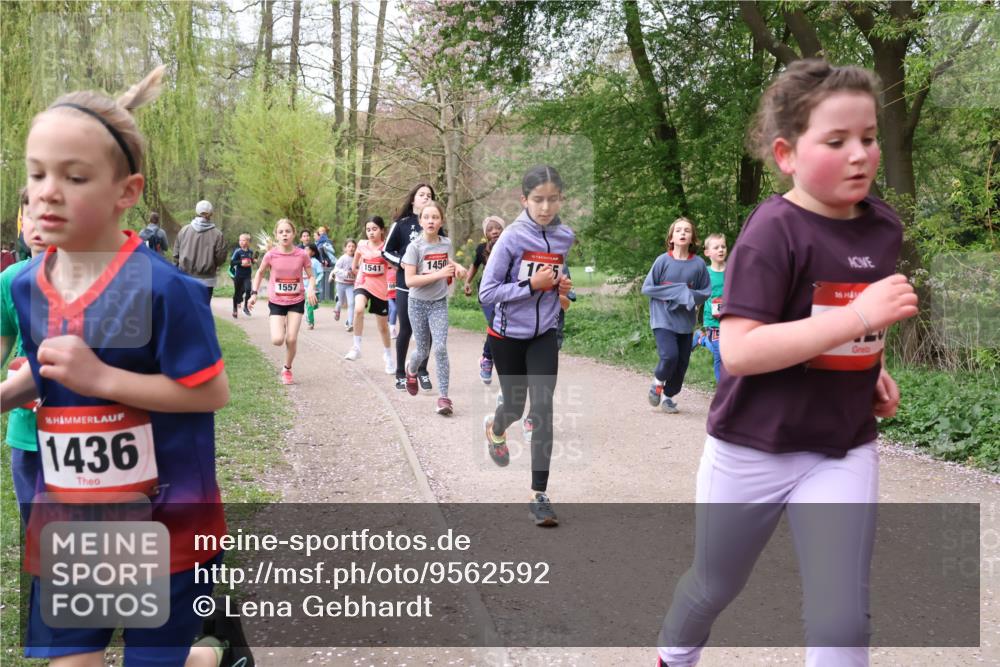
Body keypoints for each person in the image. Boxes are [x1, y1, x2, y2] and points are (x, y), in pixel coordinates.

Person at [656, 59, 918, 667]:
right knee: (714, 585)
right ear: (787, 154)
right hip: (753, 446)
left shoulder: (883, 229)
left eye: (870, 138)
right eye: (837, 141)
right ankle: (674, 654)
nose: (860, 154)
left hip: (841, 446)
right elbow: (743, 349)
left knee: (842, 616)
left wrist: (870, 366)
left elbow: (843, 320)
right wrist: (857, 322)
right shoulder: (772, 230)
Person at [2, 65, 251, 667]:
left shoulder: (163, 289)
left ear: (126, 193)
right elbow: (56, 366)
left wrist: (102, 380)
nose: (47, 192)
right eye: (37, 174)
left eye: (75, 176)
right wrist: (10, 392)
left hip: (166, 519)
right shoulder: (30, 284)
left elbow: (210, 391)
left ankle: (206, 654)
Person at [479, 165, 574, 527]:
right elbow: (488, 293)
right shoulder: (512, 239)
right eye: (538, 200)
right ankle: (496, 427)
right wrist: (531, 286)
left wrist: (563, 287)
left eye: (552, 199)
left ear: (560, 199)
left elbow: (560, 279)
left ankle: (539, 495)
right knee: (516, 407)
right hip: (507, 337)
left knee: (543, 407)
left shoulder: (565, 236)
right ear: (524, 200)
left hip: (544, 334)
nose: (545, 207)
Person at [1, 188, 47, 525]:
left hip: (79, 429)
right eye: (30, 215)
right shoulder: (9, 280)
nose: (38, 226)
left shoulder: (97, 282)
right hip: (25, 428)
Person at [401, 201, 467, 415]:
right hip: (417, 304)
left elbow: (446, 260)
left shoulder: (445, 243)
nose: (431, 221)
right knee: (422, 349)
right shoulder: (415, 247)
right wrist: (439, 275)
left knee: (439, 347)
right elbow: (409, 280)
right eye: (426, 217)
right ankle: (411, 370)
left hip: (438, 303)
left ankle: (444, 397)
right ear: (420, 221)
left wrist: (457, 267)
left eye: (435, 217)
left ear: (441, 221)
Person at [642, 217, 711, 413]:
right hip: (662, 318)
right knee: (669, 356)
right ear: (671, 237)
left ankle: (668, 397)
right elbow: (647, 288)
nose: (682, 233)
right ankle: (657, 382)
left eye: (687, 231)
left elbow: (705, 292)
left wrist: (687, 295)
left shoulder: (698, 264)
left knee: (681, 363)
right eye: (678, 230)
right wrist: (677, 292)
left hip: (685, 322)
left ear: (692, 238)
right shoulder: (662, 261)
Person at [248, 219, 318, 384]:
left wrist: (310, 288)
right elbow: (259, 273)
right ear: (276, 235)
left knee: (291, 339)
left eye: (288, 231)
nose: (284, 234)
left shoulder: (301, 254)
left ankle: (287, 369)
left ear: (294, 234)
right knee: (277, 340)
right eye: (281, 232)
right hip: (277, 301)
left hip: (296, 300)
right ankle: (282, 323)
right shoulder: (271, 255)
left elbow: (311, 276)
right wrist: (253, 294)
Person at [384, 183, 437, 391]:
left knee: (428, 330)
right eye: (421, 194)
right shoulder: (402, 224)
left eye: (429, 195)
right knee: (405, 329)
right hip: (406, 286)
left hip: (430, 286)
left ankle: (422, 370)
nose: (425, 197)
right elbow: (386, 251)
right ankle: (400, 373)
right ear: (413, 199)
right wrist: (403, 263)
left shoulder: (436, 225)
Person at [345, 216, 394, 375]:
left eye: (374, 229)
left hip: (381, 289)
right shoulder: (361, 244)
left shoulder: (387, 247)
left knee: (383, 328)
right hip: (363, 283)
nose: (371, 232)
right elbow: (355, 264)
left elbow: (393, 267)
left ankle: (388, 355)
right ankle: (356, 347)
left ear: (382, 230)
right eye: (368, 229)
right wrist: (357, 270)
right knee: (358, 309)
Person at [464, 215, 506, 385]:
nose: (495, 231)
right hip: (487, 293)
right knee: (495, 323)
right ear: (485, 233)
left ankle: (496, 360)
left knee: (502, 327)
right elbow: (474, 266)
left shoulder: (511, 245)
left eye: (498, 228)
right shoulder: (482, 249)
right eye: (490, 229)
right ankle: (487, 359)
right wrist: (467, 282)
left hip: (506, 293)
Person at [174, 199, 227, 302]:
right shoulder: (217, 234)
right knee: (202, 312)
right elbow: (221, 258)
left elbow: (176, 255)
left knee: (186, 311)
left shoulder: (184, 231)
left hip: (185, 279)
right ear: (211, 214)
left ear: (196, 212)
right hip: (207, 281)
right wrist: (212, 264)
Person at [697, 232, 727, 382]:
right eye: (716, 247)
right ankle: (723, 390)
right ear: (707, 252)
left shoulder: (733, 270)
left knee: (729, 352)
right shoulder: (705, 273)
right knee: (719, 354)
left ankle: (701, 339)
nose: (721, 250)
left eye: (723, 246)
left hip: (730, 320)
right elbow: (698, 295)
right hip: (712, 321)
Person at [332, 238, 357, 330]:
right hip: (341, 283)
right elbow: (336, 270)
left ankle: (350, 323)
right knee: (341, 302)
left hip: (351, 284)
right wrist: (346, 273)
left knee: (351, 303)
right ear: (345, 248)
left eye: (353, 246)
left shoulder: (357, 259)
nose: (351, 248)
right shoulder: (343, 258)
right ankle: (337, 309)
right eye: (349, 246)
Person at [230, 232, 255, 318]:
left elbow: (252, 261)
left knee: (248, 290)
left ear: (248, 242)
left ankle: (245, 307)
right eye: (240, 240)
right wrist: (241, 262)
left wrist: (253, 261)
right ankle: (234, 310)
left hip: (247, 275)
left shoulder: (250, 251)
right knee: (237, 293)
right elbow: (232, 262)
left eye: (243, 240)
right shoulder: (237, 251)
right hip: (238, 276)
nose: (241, 242)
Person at [304, 242, 324, 330]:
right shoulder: (301, 261)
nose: (305, 251)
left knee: (312, 304)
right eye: (304, 249)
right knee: (308, 305)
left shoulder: (315, 262)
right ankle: (310, 322)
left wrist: (316, 281)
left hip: (314, 288)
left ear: (313, 252)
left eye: (307, 250)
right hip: (304, 288)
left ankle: (314, 306)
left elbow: (321, 273)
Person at [314, 225, 337, 301]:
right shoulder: (319, 242)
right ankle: (324, 297)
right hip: (324, 261)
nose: (320, 233)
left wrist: (324, 260)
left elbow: (327, 251)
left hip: (328, 261)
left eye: (321, 231)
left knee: (327, 279)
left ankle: (327, 298)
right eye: (319, 231)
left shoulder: (324, 240)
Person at [386, 266, 399, 339]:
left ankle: (389, 324)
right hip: (388, 296)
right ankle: (392, 330)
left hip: (397, 295)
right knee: (394, 309)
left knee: (391, 310)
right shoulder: (385, 270)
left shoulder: (399, 270)